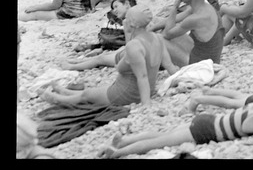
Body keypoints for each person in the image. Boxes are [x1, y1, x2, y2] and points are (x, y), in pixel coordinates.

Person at [42, 7, 172, 108]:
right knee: (92, 91)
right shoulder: (158, 38)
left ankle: (58, 99)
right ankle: (64, 91)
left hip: (129, 93)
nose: (124, 21)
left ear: (132, 23)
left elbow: (133, 73)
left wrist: (146, 104)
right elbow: (168, 64)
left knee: (86, 95)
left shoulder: (134, 46)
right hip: (145, 89)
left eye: (126, 18)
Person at [98, 98, 253, 158]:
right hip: (205, 130)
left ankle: (123, 143)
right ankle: (118, 152)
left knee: (163, 136)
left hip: (207, 122)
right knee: (160, 140)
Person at [160, 0, 225, 65]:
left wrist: (175, 7)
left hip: (201, 64)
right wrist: (153, 26)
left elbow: (167, 34)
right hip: (207, 55)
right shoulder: (205, 7)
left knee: (158, 39)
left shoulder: (195, 19)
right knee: (159, 27)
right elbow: (175, 19)